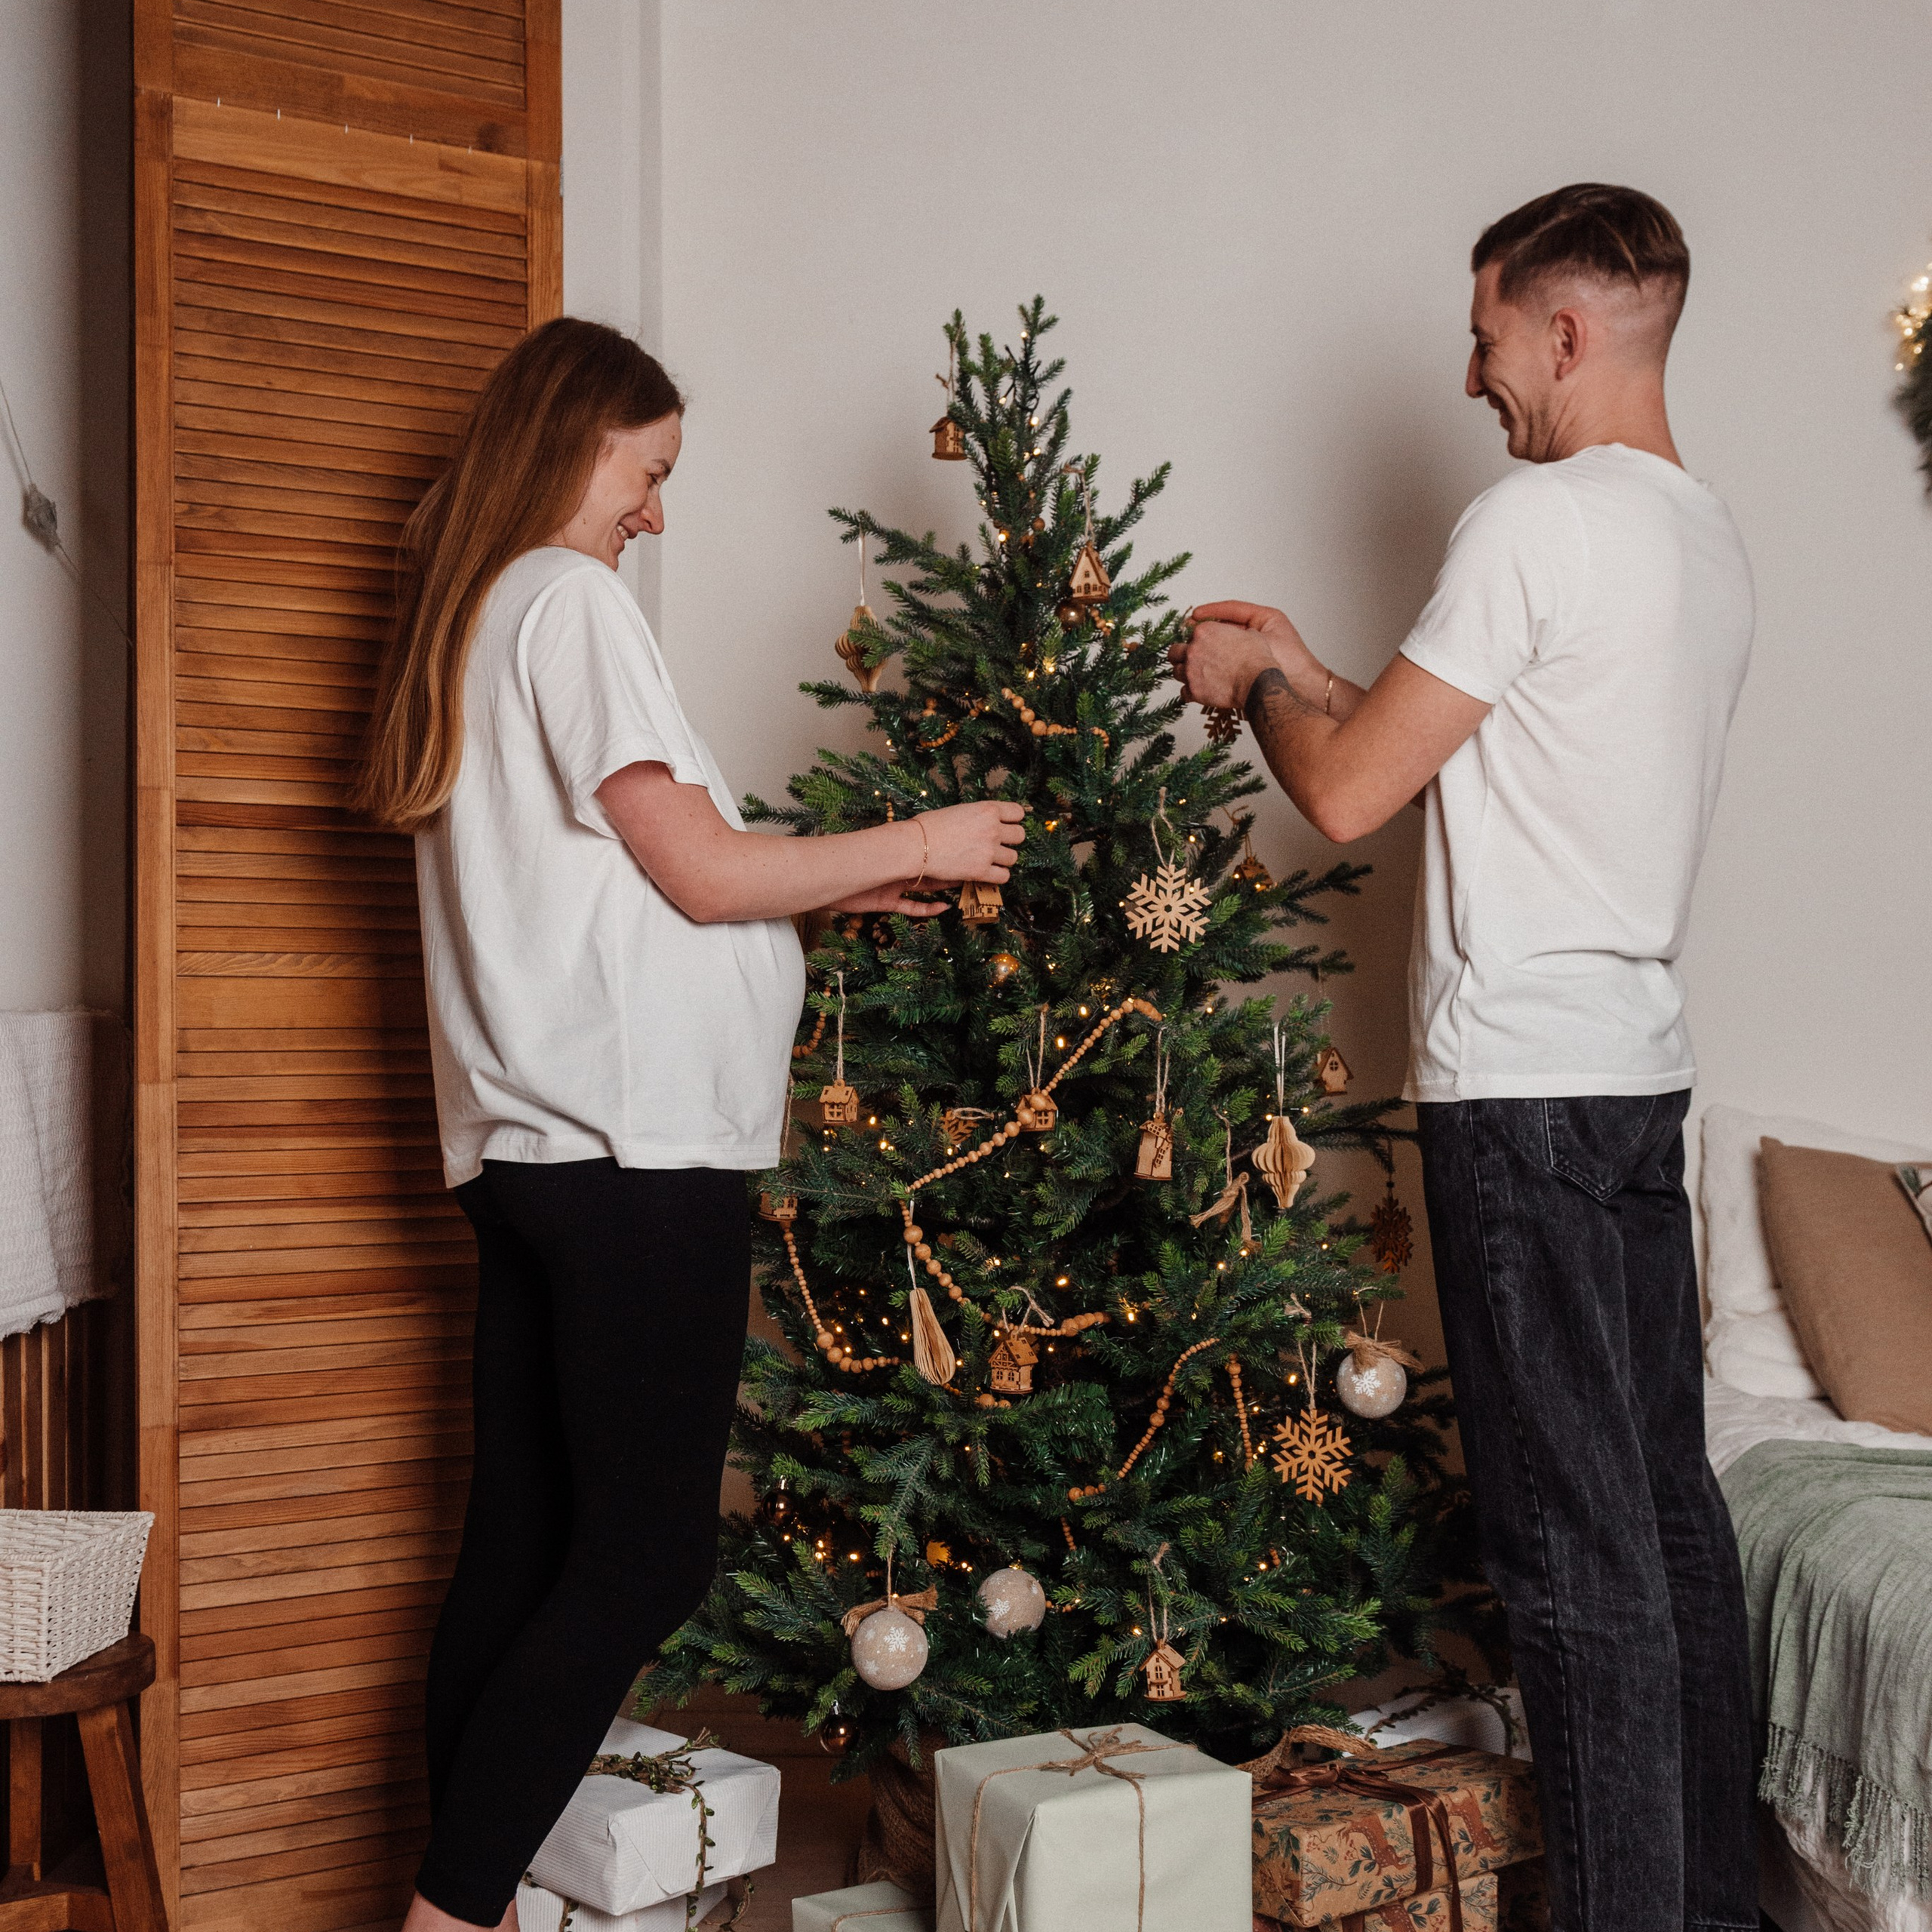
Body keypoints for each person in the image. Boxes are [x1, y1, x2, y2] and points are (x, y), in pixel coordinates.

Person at [358, 316, 1024, 1932]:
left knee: (518, 1548)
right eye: (647, 473)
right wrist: (922, 827)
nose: (653, 513)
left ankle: (475, 1901)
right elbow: (699, 872)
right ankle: (449, 1915)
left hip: (531, 1152)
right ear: (579, 442)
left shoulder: (474, 613)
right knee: (645, 1555)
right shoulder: (568, 600)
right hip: (634, 1152)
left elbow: (636, 887)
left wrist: (856, 873)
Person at [1170, 185, 1756, 1932]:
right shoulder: (1697, 536)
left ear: (1565, 331)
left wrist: (1249, 685)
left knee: (1571, 1569)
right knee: (1663, 1523)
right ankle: (1715, 1908)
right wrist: (1302, 665)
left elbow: (1348, 790)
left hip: (1521, 1093)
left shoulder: (1530, 522)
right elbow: (1461, 746)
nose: (1471, 373)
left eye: (1488, 333)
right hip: (1635, 1072)